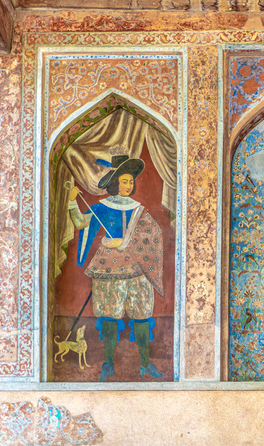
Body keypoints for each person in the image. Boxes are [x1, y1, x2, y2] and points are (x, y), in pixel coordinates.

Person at [68, 149, 165, 381]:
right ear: (114, 183)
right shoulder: (102, 207)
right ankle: (109, 364)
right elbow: (81, 223)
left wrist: (127, 241)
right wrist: (72, 201)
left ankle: (145, 364)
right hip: (108, 266)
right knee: (110, 316)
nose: (128, 185)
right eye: (124, 181)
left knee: (141, 315)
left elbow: (154, 234)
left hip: (137, 267)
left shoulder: (137, 208)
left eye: (130, 181)